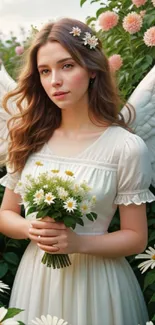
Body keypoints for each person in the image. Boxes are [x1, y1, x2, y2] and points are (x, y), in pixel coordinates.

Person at [0, 18, 154, 325]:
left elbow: (136, 238)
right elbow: (6, 213)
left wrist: (79, 243)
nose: (55, 80)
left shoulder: (125, 147)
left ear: (92, 70)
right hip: (37, 281)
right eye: (45, 71)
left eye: (67, 66)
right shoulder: (29, 137)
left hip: (99, 286)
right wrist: (33, 230)